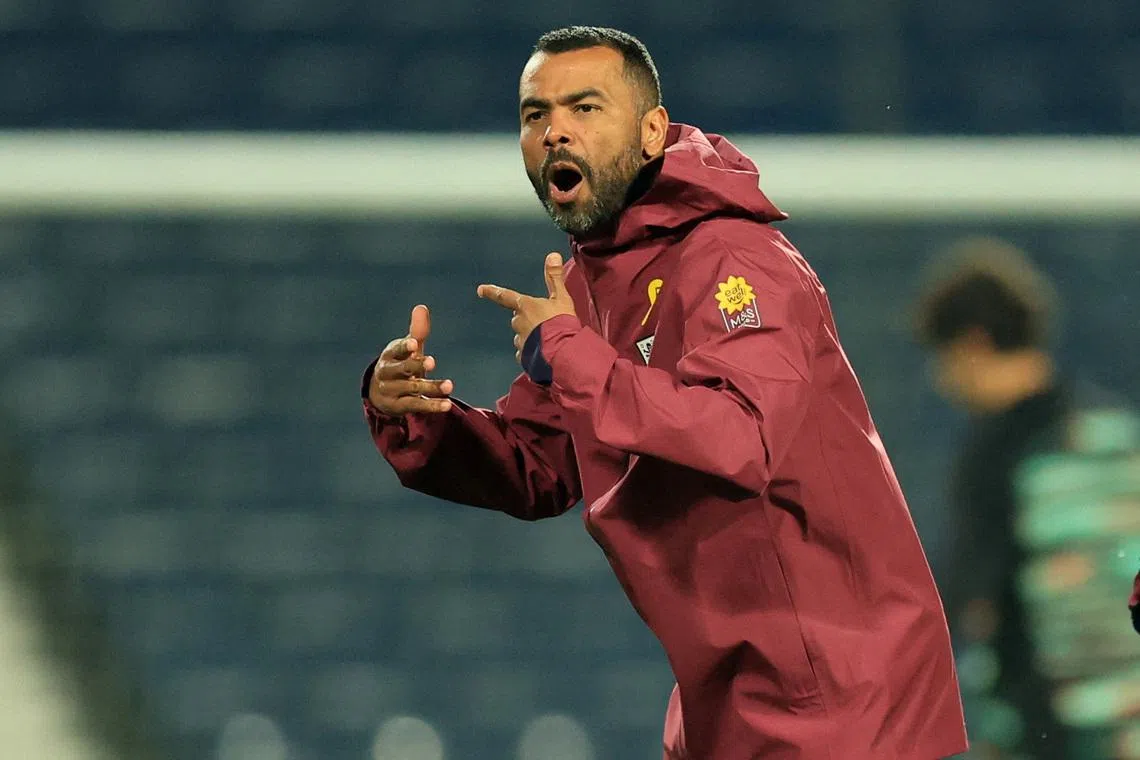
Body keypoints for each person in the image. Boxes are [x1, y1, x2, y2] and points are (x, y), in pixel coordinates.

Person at [362, 26, 968, 760]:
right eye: (534, 114)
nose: (555, 131)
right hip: (727, 704)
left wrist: (566, 352)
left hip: (844, 701)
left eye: (584, 108)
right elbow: (540, 466)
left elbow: (740, 436)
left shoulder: (736, 259)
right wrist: (417, 417)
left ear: (652, 131)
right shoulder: (591, 289)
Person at [911, 237, 1074, 759]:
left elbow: (967, 599)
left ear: (972, 344)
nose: (942, 381)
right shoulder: (1112, 433)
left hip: (1046, 723)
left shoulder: (994, 457)